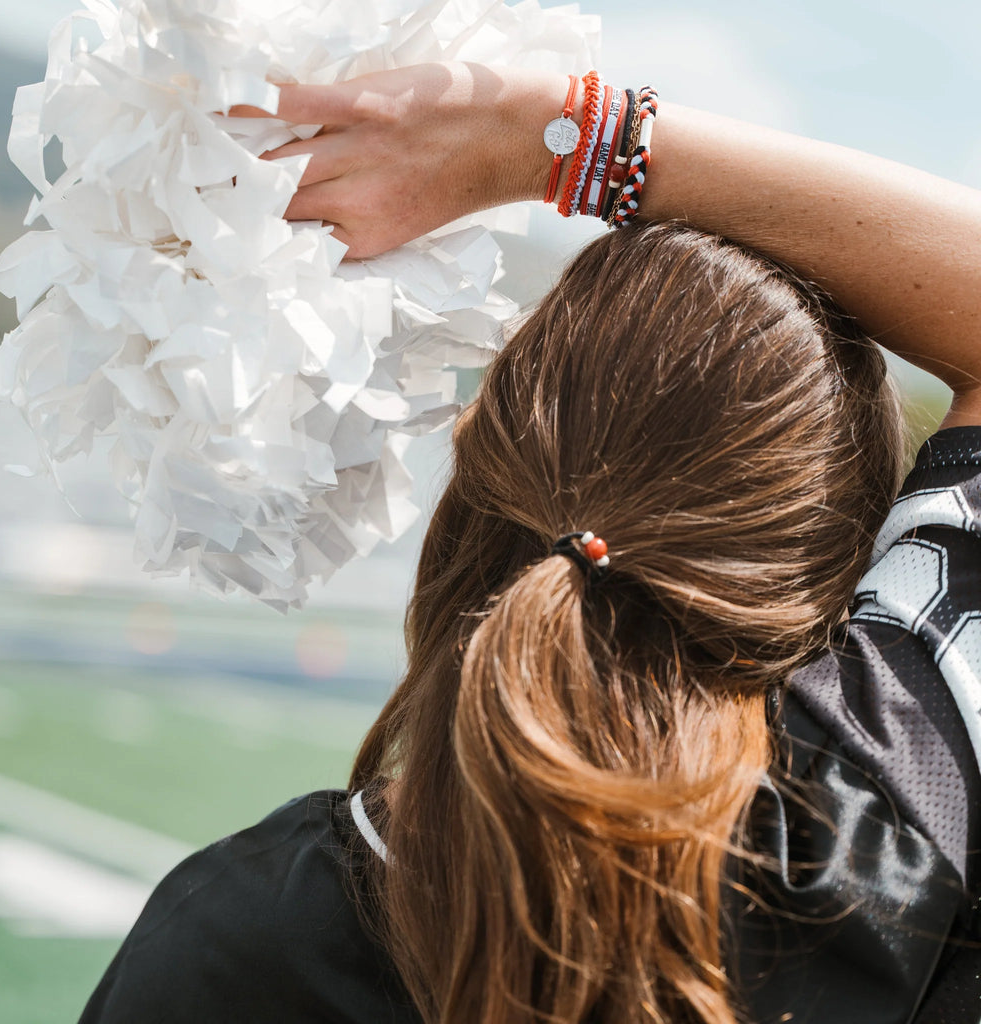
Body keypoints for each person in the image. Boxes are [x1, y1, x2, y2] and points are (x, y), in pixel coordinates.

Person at [78, 63, 981, 1024]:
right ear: (822, 553)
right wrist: (552, 135)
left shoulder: (230, 932)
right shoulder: (867, 840)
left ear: (480, 483)